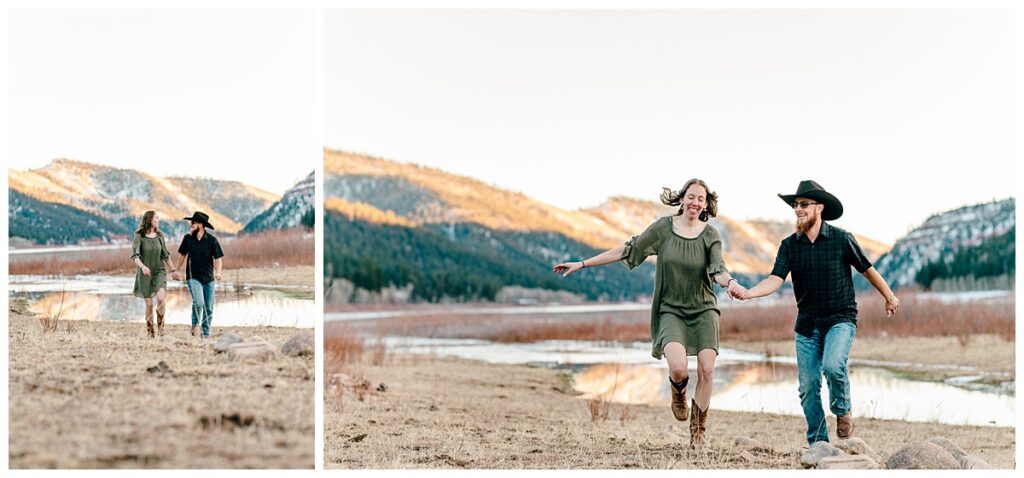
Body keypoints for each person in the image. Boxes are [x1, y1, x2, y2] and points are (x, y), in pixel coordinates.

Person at [553, 178, 746, 447]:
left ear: (706, 204)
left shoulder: (711, 235)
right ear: (682, 199)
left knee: (707, 370)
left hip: (703, 310)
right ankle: (678, 392)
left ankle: (698, 434)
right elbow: (628, 249)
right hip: (670, 310)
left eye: (701, 199)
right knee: (678, 368)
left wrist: (732, 283)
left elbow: (719, 269)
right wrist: (583, 263)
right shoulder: (663, 229)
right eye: (691, 196)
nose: (695, 202)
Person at [737, 180, 899, 445]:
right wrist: (748, 292)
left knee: (833, 366)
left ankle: (842, 411)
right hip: (807, 325)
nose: (798, 209)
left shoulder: (841, 238)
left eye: (803, 204)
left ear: (819, 207)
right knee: (808, 387)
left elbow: (867, 269)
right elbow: (775, 279)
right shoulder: (789, 245)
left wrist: (889, 296)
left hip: (840, 319)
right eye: (795, 205)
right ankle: (818, 443)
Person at [175, 211, 224, 338]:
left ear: (201, 225)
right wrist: (176, 270)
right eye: (192, 222)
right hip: (193, 277)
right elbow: (182, 255)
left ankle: (205, 334)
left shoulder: (212, 240)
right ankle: (195, 325)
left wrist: (218, 273)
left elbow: (218, 258)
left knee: (209, 307)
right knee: (199, 302)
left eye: (194, 222)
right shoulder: (187, 239)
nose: (192, 224)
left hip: (209, 279)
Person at [131, 211, 180, 338]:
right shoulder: (139, 236)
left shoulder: (159, 235)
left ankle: (161, 328)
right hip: (145, 273)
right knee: (149, 304)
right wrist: (142, 267)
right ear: (149, 220)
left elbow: (165, 254)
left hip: (159, 271)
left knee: (161, 298)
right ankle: (150, 331)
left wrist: (173, 270)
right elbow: (135, 256)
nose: (159, 220)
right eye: (157, 218)